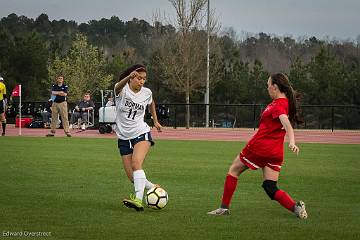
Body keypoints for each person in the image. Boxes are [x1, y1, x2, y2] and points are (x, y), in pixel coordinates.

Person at [208, 73, 308, 219]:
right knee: (270, 187)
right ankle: (296, 207)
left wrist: (292, 141)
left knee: (233, 171)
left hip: (259, 147)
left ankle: (223, 208)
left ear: (275, 87)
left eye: (268, 85)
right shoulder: (284, 103)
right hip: (274, 152)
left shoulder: (279, 105)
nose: (267, 88)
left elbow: (286, 123)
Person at [114, 64, 162, 211]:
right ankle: (152, 187)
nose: (141, 81)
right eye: (139, 78)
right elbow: (116, 87)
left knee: (136, 164)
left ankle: (138, 200)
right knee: (132, 178)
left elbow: (151, 102)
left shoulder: (147, 92)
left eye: (144, 79)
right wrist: (128, 76)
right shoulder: (122, 90)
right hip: (123, 137)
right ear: (132, 78)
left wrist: (155, 120)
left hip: (141, 133)